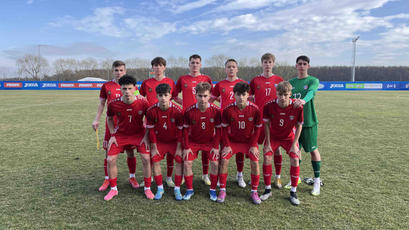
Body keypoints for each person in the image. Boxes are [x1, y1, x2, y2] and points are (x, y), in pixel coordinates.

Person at [92, 61, 139, 192]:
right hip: (111, 124)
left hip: (127, 125)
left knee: (130, 151)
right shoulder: (106, 86)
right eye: (116, 70)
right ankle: (107, 178)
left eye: (121, 70)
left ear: (125, 71)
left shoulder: (130, 86)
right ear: (112, 71)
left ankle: (132, 177)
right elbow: (102, 104)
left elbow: (138, 103)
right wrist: (96, 119)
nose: (119, 73)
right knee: (108, 152)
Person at [103, 75, 152, 201]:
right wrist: (113, 135)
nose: (127, 92)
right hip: (121, 135)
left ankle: (147, 188)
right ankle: (113, 189)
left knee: (146, 158)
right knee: (110, 159)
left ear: (135, 88)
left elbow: (150, 119)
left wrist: (146, 136)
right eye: (124, 89)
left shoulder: (143, 102)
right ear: (120, 89)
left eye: (130, 88)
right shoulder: (114, 103)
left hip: (139, 134)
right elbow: (109, 118)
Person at [219, 82, 262, 204]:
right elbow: (224, 129)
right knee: (224, 160)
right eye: (238, 94)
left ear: (248, 94)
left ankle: (254, 191)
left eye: (244, 94)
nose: (241, 97)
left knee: (255, 160)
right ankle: (222, 190)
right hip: (232, 142)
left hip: (248, 142)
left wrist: (254, 144)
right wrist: (227, 145)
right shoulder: (228, 110)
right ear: (234, 95)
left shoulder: (255, 109)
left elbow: (258, 128)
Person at [262, 81, 303, 205]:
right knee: (267, 157)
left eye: (285, 94)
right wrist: (268, 142)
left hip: (289, 137)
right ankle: (267, 189)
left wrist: (295, 144)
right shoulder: (269, 106)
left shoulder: (297, 107)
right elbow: (267, 125)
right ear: (276, 93)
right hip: (273, 137)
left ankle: (293, 192)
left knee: (295, 159)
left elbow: (299, 126)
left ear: (290, 94)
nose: (283, 97)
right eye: (280, 94)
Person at [140, 57, 179, 187]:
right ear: (152, 68)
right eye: (155, 65)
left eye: (160, 65)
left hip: (167, 118)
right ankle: (149, 177)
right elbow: (138, 95)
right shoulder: (146, 82)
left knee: (169, 149)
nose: (157, 68)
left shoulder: (170, 82)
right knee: (152, 148)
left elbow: (173, 98)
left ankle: (168, 177)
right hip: (151, 118)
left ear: (164, 67)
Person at [175, 54, 213, 185]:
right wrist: (185, 105)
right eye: (192, 62)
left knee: (205, 143)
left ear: (200, 64)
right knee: (187, 143)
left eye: (197, 62)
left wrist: (206, 106)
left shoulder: (206, 78)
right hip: (188, 116)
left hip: (204, 116)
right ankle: (186, 174)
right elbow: (174, 95)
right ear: (189, 64)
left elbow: (211, 95)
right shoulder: (182, 79)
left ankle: (205, 174)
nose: (195, 65)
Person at [249, 53, 285, 189]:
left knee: (276, 149)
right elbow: (250, 97)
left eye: (270, 62)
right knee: (255, 147)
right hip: (258, 120)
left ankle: (278, 178)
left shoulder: (279, 80)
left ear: (273, 63)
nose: (267, 64)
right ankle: (255, 175)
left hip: (274, 120)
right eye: (265, 62)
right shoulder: (255, 81)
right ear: (261, 63)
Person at [288, 55, 322, 196]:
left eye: (304, 63)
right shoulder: (291, 82)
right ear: (296, 66)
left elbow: (311, 92)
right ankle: (296, 178)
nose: (302, 66)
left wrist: (303, 101)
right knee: (296, 150)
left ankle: (316, 180)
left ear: (308, 66)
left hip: (308, 122)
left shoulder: (313, 80)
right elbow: (286, 97)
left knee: (313, 150)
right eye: (299, 64)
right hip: (294, 123)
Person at [183, 82, 221, 201]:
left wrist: (215, 146)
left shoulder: (216, 111)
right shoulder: (189, 111)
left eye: (205, 96)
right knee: (187, 162)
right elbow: (184, 131)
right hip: (193, 142)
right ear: (195, 95)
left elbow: (219, 130)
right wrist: (187, 146)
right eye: (200, 96)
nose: (203, 99)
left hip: (209, 142)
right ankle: (189, 189)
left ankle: (213, 190)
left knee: (215, 163)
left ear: (210, 96)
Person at [211, 59, 247, 188]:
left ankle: (240, 175)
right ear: (225, 69)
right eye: (229, 67)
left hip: (239, 122)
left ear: (237, 69)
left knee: (240, 151)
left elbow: (249, 99)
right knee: (222, 149)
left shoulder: (242, 83)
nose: (231, 69)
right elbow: (211, 98)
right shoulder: (220, 84)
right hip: (223, 122)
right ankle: (222, 176)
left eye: (233, 67)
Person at [146, 83, 184, 200]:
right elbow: (151, 131)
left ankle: (177, 189)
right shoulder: (151, 111)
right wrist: (154, 146)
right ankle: (160, 188)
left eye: (165, 95)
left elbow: (180, 131)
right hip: (159, 142)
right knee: (155, 160)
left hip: (174, 142)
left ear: (170, 96)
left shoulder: (178, 111)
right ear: (156, 96)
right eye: (160, 95)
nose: (163, 98)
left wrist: (178, 147)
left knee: (179, 160)